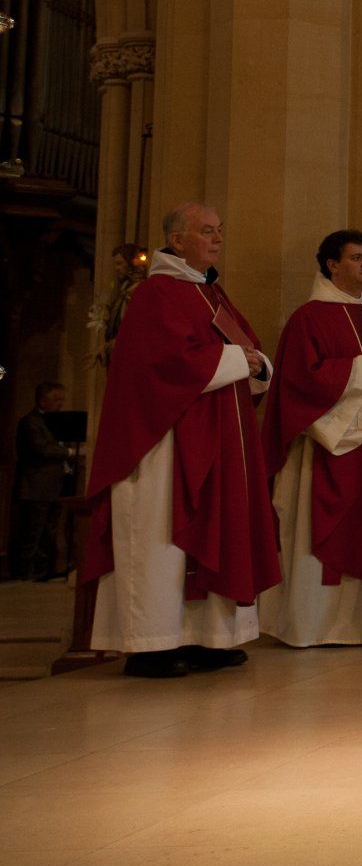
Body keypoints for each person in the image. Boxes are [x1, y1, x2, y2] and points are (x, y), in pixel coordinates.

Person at [82, 202, 279, 677]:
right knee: (161, 540)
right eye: (207, 231)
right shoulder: (158, 294)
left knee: (217, 531)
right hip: (165, 443)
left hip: (219, 440)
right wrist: (238, 362)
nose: (217, 239)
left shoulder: (212, 294)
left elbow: (245, 348)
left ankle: (208, 637)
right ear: (177, 241)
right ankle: (152, 645)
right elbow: (162, 365)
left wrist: (257, 365)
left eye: (219, 230)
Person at [258, 230, 362, 647]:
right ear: (331, 264)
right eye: (356, 258)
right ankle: (316, 624)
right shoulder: (309, 317)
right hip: (329, 446)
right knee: (324, 528)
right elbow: (300, 380)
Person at [11, 382, 80, 579]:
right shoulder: (30, 422)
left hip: (54, 484)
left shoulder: (55, 421)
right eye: (56, 399)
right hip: (35, 485)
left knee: (48, 531)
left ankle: (43, 570)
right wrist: (68, 452)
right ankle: (24, 571)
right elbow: (40, 448)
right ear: (43, 400)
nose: (61, 404)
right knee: (33, 530)